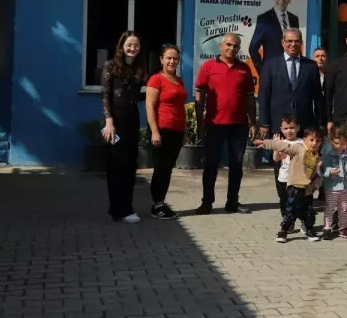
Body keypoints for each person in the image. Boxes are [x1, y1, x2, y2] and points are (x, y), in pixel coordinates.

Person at [195, 33, 256, 215]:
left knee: (236, 166)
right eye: (228, 45)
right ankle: (207, 202)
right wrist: (200, 124)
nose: (232, 48)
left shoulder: (244, 69)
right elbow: (200, 96)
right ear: (221, 46)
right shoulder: (208, 67)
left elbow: (249, 99)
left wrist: (252, 122)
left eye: (236, 46)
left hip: (238, 126)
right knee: (211, 166)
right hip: (214, 125)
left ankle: (232, 202)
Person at [100, 31, 146, 223]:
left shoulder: (139, 68)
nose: (132, 48)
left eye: (136, 45)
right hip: (115, 123)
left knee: (129, 165)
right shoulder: (110, 66)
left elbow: (140, 94)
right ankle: (118, 209)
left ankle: (125, 208)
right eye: (129, 45)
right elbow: (106, 95)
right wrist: (109, 122)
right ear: (121, 46)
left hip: (132, 121)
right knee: (115, 167)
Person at [256, 126, 323, 243]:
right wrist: (267, 143)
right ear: (304, 140)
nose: (314, 143)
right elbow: (284, 147)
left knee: (309, 210)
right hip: (295, 187)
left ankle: (309, 230)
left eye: (317, 141)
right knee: (290, 210)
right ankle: (283, 231)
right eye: (311, 140)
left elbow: (318, 175)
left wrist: (315, 186)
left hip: (307, 189)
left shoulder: (317, 156)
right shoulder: (299, 149)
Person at [144, 44, 185, 220]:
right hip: (161, 130)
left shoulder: (179, 80)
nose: (172, 61)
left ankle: (161, 202)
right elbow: (150, 107)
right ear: (161, 59)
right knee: (160, 169)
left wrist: (184, 132)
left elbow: (180, 108)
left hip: (176, 131)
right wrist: (154, 131)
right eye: (168, 58)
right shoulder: (156, 80)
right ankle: (157, 205)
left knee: (167, 169)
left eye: (175, 58)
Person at [258, 29, 324, 135]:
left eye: (296, 41)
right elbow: (264, 96)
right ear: (283, 43)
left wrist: (319, 122)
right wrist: (264, 123)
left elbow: (318, 97)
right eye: (289, 41)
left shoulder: (311, 66)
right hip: (278, 125)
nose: (293, 44)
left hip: (304, 126)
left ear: (301, 43)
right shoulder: (270, 65)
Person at [249, 0, 300, 73]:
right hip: (272, 72)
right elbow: (253, 48)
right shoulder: (264, 19)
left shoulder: (294, 19)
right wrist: (263, 71)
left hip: (292, 71)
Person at [320, 125, 347, 238]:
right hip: (332, 186)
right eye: (336, 143)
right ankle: (327, 227)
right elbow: (323, 169)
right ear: (332, 141)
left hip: (346, 187)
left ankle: (343, 227)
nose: (339, 146)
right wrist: (329, 171)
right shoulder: (328, 154)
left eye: (342, 143)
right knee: (330, 208)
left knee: (343, 208)